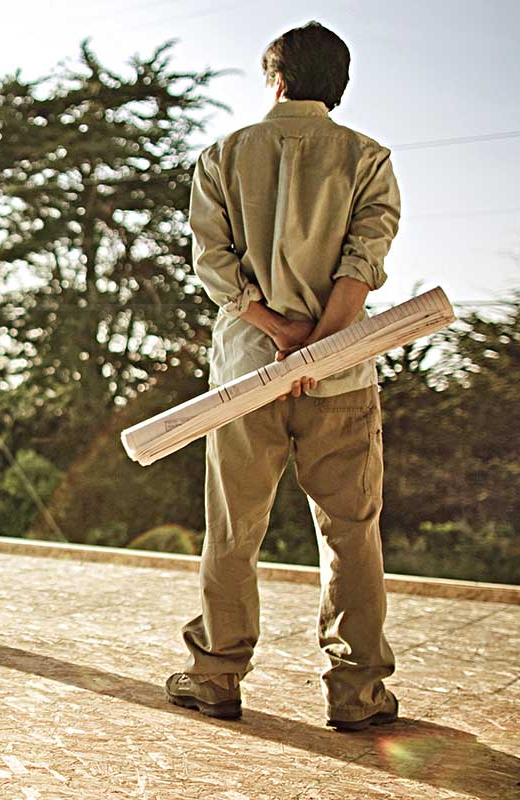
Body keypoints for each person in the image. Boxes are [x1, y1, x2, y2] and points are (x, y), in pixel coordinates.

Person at [162, 20, 402, 733]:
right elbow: (364, 262)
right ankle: (356, 692)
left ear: (276, 80)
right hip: (343, 378)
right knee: (351, 533)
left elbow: (214, 264)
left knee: (233, 532)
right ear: (339, 86)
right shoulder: (369, 158)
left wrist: (281, 337)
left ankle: (215, 677)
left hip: (246, 377)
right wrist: (319, 349)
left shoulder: (224, 155)